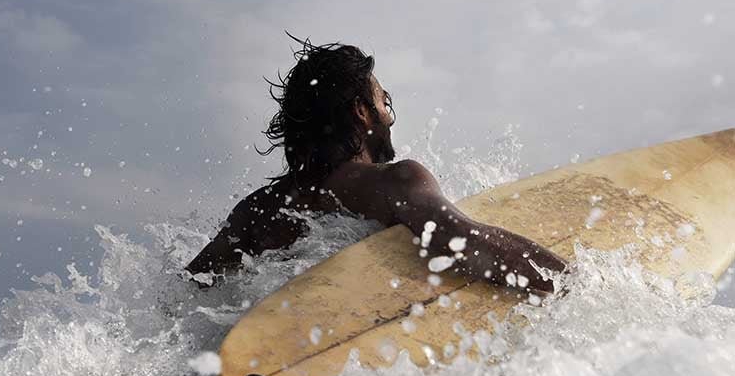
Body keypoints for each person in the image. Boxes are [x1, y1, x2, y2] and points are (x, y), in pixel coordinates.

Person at [186, 36, 566, 292]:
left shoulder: (256, 211)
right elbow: (465, 242)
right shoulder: (393, 183)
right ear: (362, 112)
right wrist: (573, 284)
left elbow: (189, 290)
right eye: (384, 101)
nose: (389, 115)